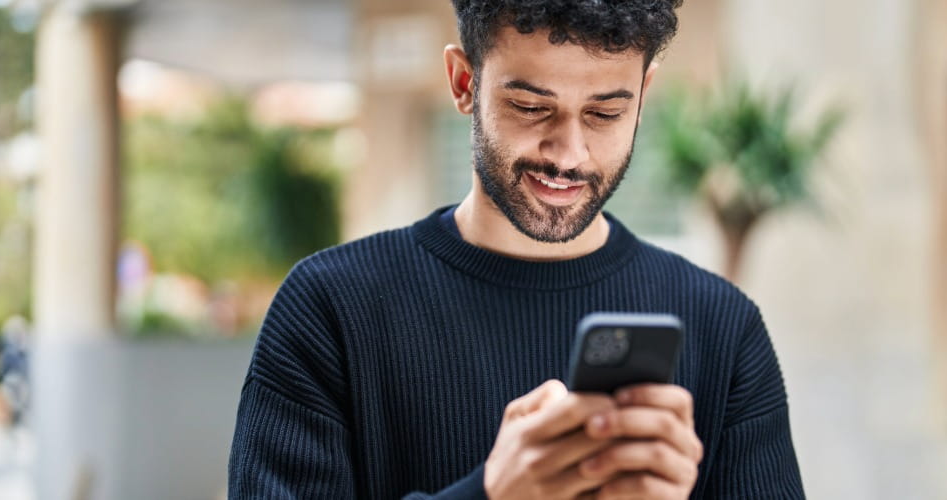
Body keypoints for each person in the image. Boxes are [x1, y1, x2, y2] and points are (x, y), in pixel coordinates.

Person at [228, 1, 804, 498]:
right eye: (531, 107)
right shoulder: (329, 310)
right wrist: (491, 495)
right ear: (464, 82)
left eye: (606, 113)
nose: (568, 154)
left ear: (644, 95)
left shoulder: (724, 327)